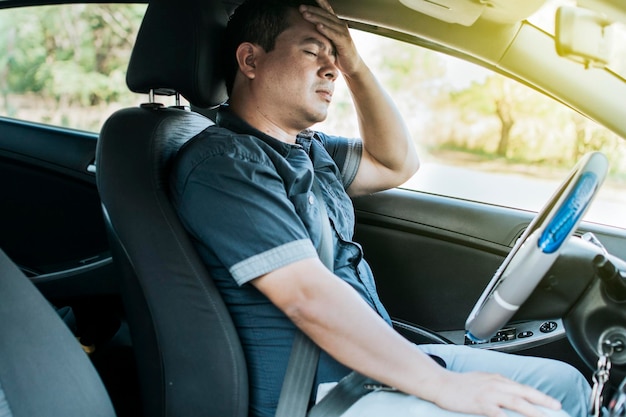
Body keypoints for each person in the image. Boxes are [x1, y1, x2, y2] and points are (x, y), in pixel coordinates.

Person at [170, 0, 591, 416]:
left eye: (334, 57)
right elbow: (305, 295)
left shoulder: (310, 151)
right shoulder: (224, 165)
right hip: (320, 394)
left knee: (566, 388)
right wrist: (442, 386)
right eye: (312, 52)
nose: (330, 69)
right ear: (250, 60)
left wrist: (355, 66)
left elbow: (397, 163)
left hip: (373, 366)